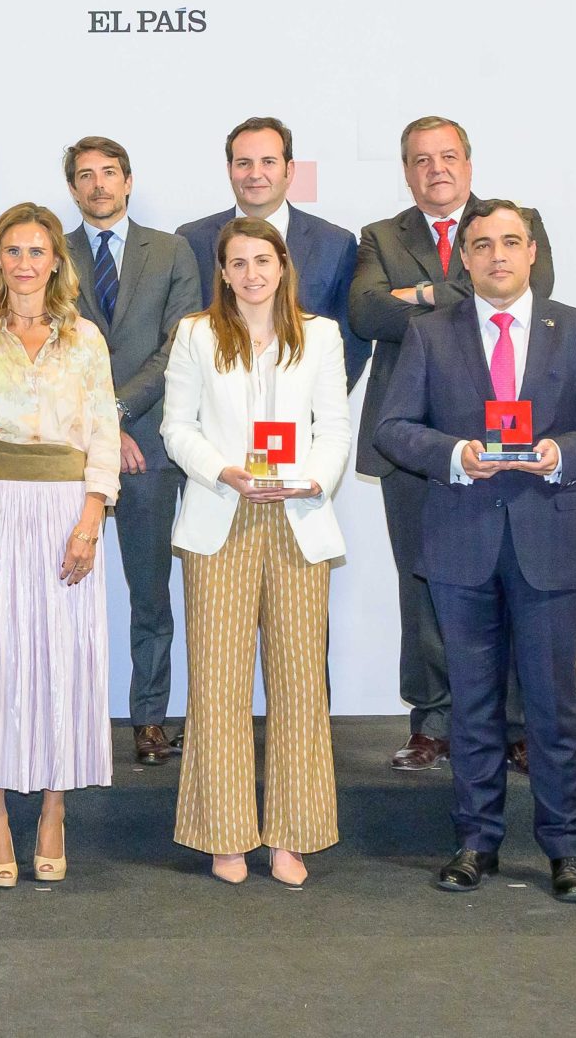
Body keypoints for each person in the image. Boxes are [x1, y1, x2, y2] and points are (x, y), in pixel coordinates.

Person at [375, 199, 576, 903]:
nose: (497, 255)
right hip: (461, 543)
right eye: (483, 244)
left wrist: (563, 453)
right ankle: (476, 842)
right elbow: (393, 428)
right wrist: (456, 454)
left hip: (551, 542)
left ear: (531, 253)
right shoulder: (429, 334)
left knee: (552, 708)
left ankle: (567, 850)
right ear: (464, 258)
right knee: (472, 706)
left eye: (511, 242)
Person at [351, 116, 553, 772]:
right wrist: (460, 298)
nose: (435, 169)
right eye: (421, 159)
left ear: (468, 163)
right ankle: (433, 724)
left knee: (512, 577)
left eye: (447, 156)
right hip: (409, 436)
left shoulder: (517, 222)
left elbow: (527, 293)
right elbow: (366, 311)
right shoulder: (380, 236)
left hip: (503, 431)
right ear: (407, 172)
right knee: (423, 585)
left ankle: (514, 724)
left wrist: (420, 294)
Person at [158, 218, 352, 887]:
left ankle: (292, 837)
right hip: (223, 517)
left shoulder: (321, 335)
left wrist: (313, 481)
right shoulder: (196, 334)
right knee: (217, 685)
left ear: (283, 264)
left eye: (262, 261)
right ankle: (225, 834)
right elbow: (176, 427)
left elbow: (335, 429)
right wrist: (223, 471)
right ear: (222, 272)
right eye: (237, 263)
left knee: (300, 686)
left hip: (298, 519)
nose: (251, 274)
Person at [0, 202, 121, 887]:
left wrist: (91, 520)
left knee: (63, 661)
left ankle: (53, 810)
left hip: (67, 514)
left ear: (55, 263)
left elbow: (103, 436)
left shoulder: (87, 340)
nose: (23, 263)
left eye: (36, 251)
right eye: (11, 251)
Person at [59, 136, 200, 765]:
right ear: (72, 188)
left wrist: (118, 414)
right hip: (68, 449)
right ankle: (66, 715)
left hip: (148, 447)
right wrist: (99, 426)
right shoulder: (49, 252)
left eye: (109, 173)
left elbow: (179, 345)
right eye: (86, 175)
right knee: (63, 589)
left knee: (150, 593)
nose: (99, 185)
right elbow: (49, 349)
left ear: (129, 180)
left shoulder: (171, 251)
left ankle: (149, 718)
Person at [174, 118, 368, 386]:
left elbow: (352, 344)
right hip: (215, 405)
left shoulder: (335, 244)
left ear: (289, 170)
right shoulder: (191, 240)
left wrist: (312, 404)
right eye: (244, 163)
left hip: (302, 408)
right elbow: (183, 337)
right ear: (229, 170)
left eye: (268, 162)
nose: (255, 174)